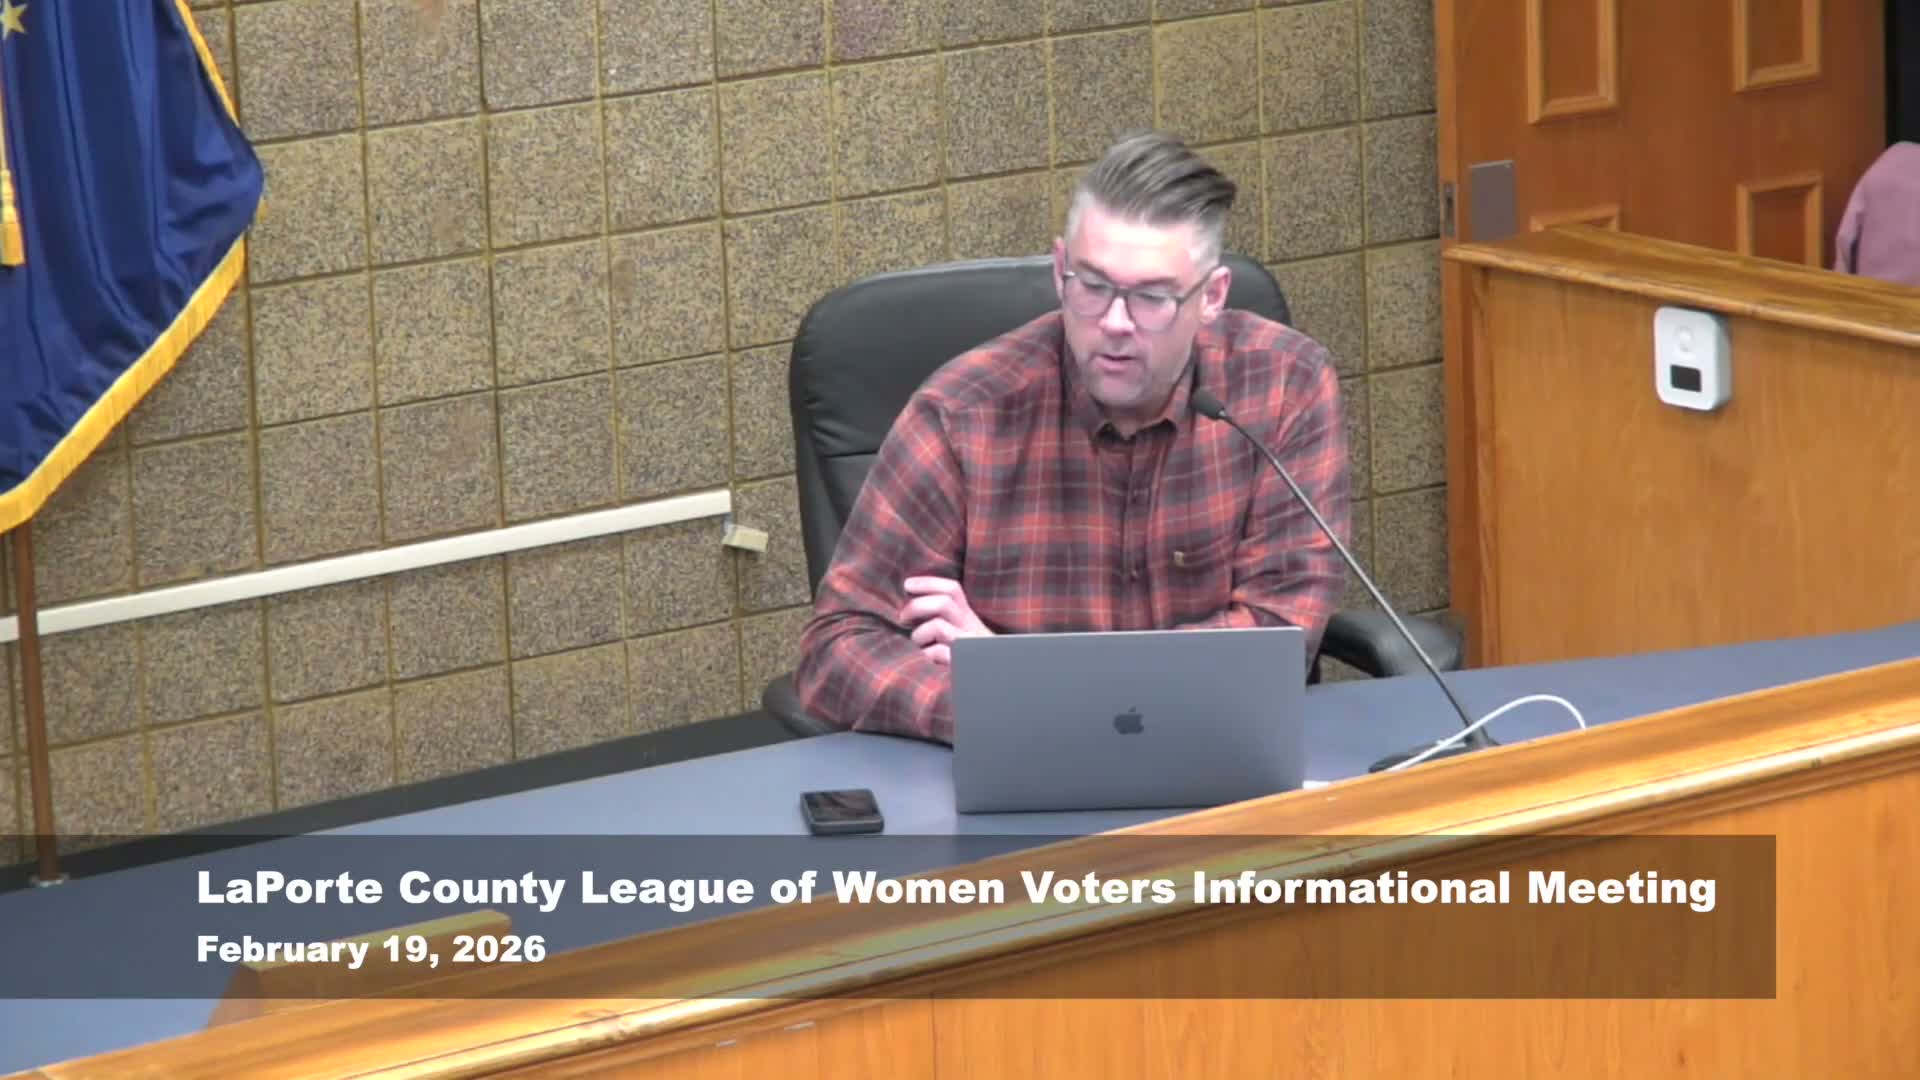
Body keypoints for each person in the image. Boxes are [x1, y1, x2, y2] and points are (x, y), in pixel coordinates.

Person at [793, 131, 1351, 743]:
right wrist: (999, 712)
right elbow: (838, 646)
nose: (1114, 322)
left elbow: (1278, 636)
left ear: (1211, 297)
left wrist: (1021, 683)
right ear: (1060, 271)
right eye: (1092, 285)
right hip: (1019, 768)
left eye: (1152, 297)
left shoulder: (1283, 385)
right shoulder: (963, 413)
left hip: (1219, 750)